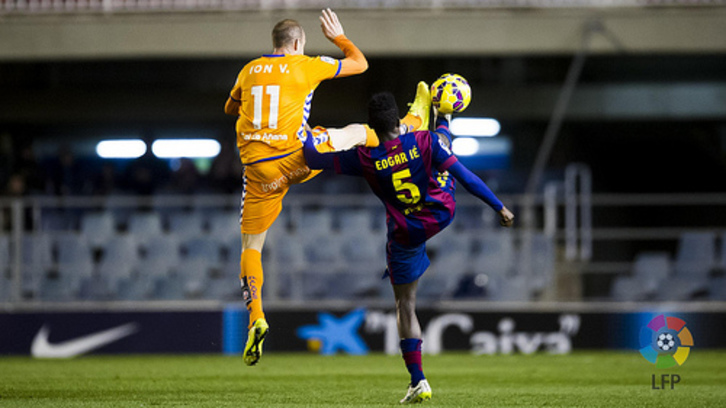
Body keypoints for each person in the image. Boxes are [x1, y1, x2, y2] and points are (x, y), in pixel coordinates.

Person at [223, 9, 430, 367]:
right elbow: (359, 63)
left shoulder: (248, 70)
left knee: (251, 245)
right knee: (349, 133)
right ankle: (411, 123)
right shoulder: (306, 64)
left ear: (273, 44)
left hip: (259, 173)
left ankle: (256, 315)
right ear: (298, 43)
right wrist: (338, 38)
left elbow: (230, 107)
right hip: (299, 159)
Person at [303, 91, 514, 404]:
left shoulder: (365, 157)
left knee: (405, 304)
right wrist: (500, 208)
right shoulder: (423, 141)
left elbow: (313, 157)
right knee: (441, 153)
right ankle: (444, 118)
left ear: (371, 127)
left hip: (407, 232)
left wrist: (311, 132)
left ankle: (418, 381)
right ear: (398, 119)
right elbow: (467, 178)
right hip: (440, 210)